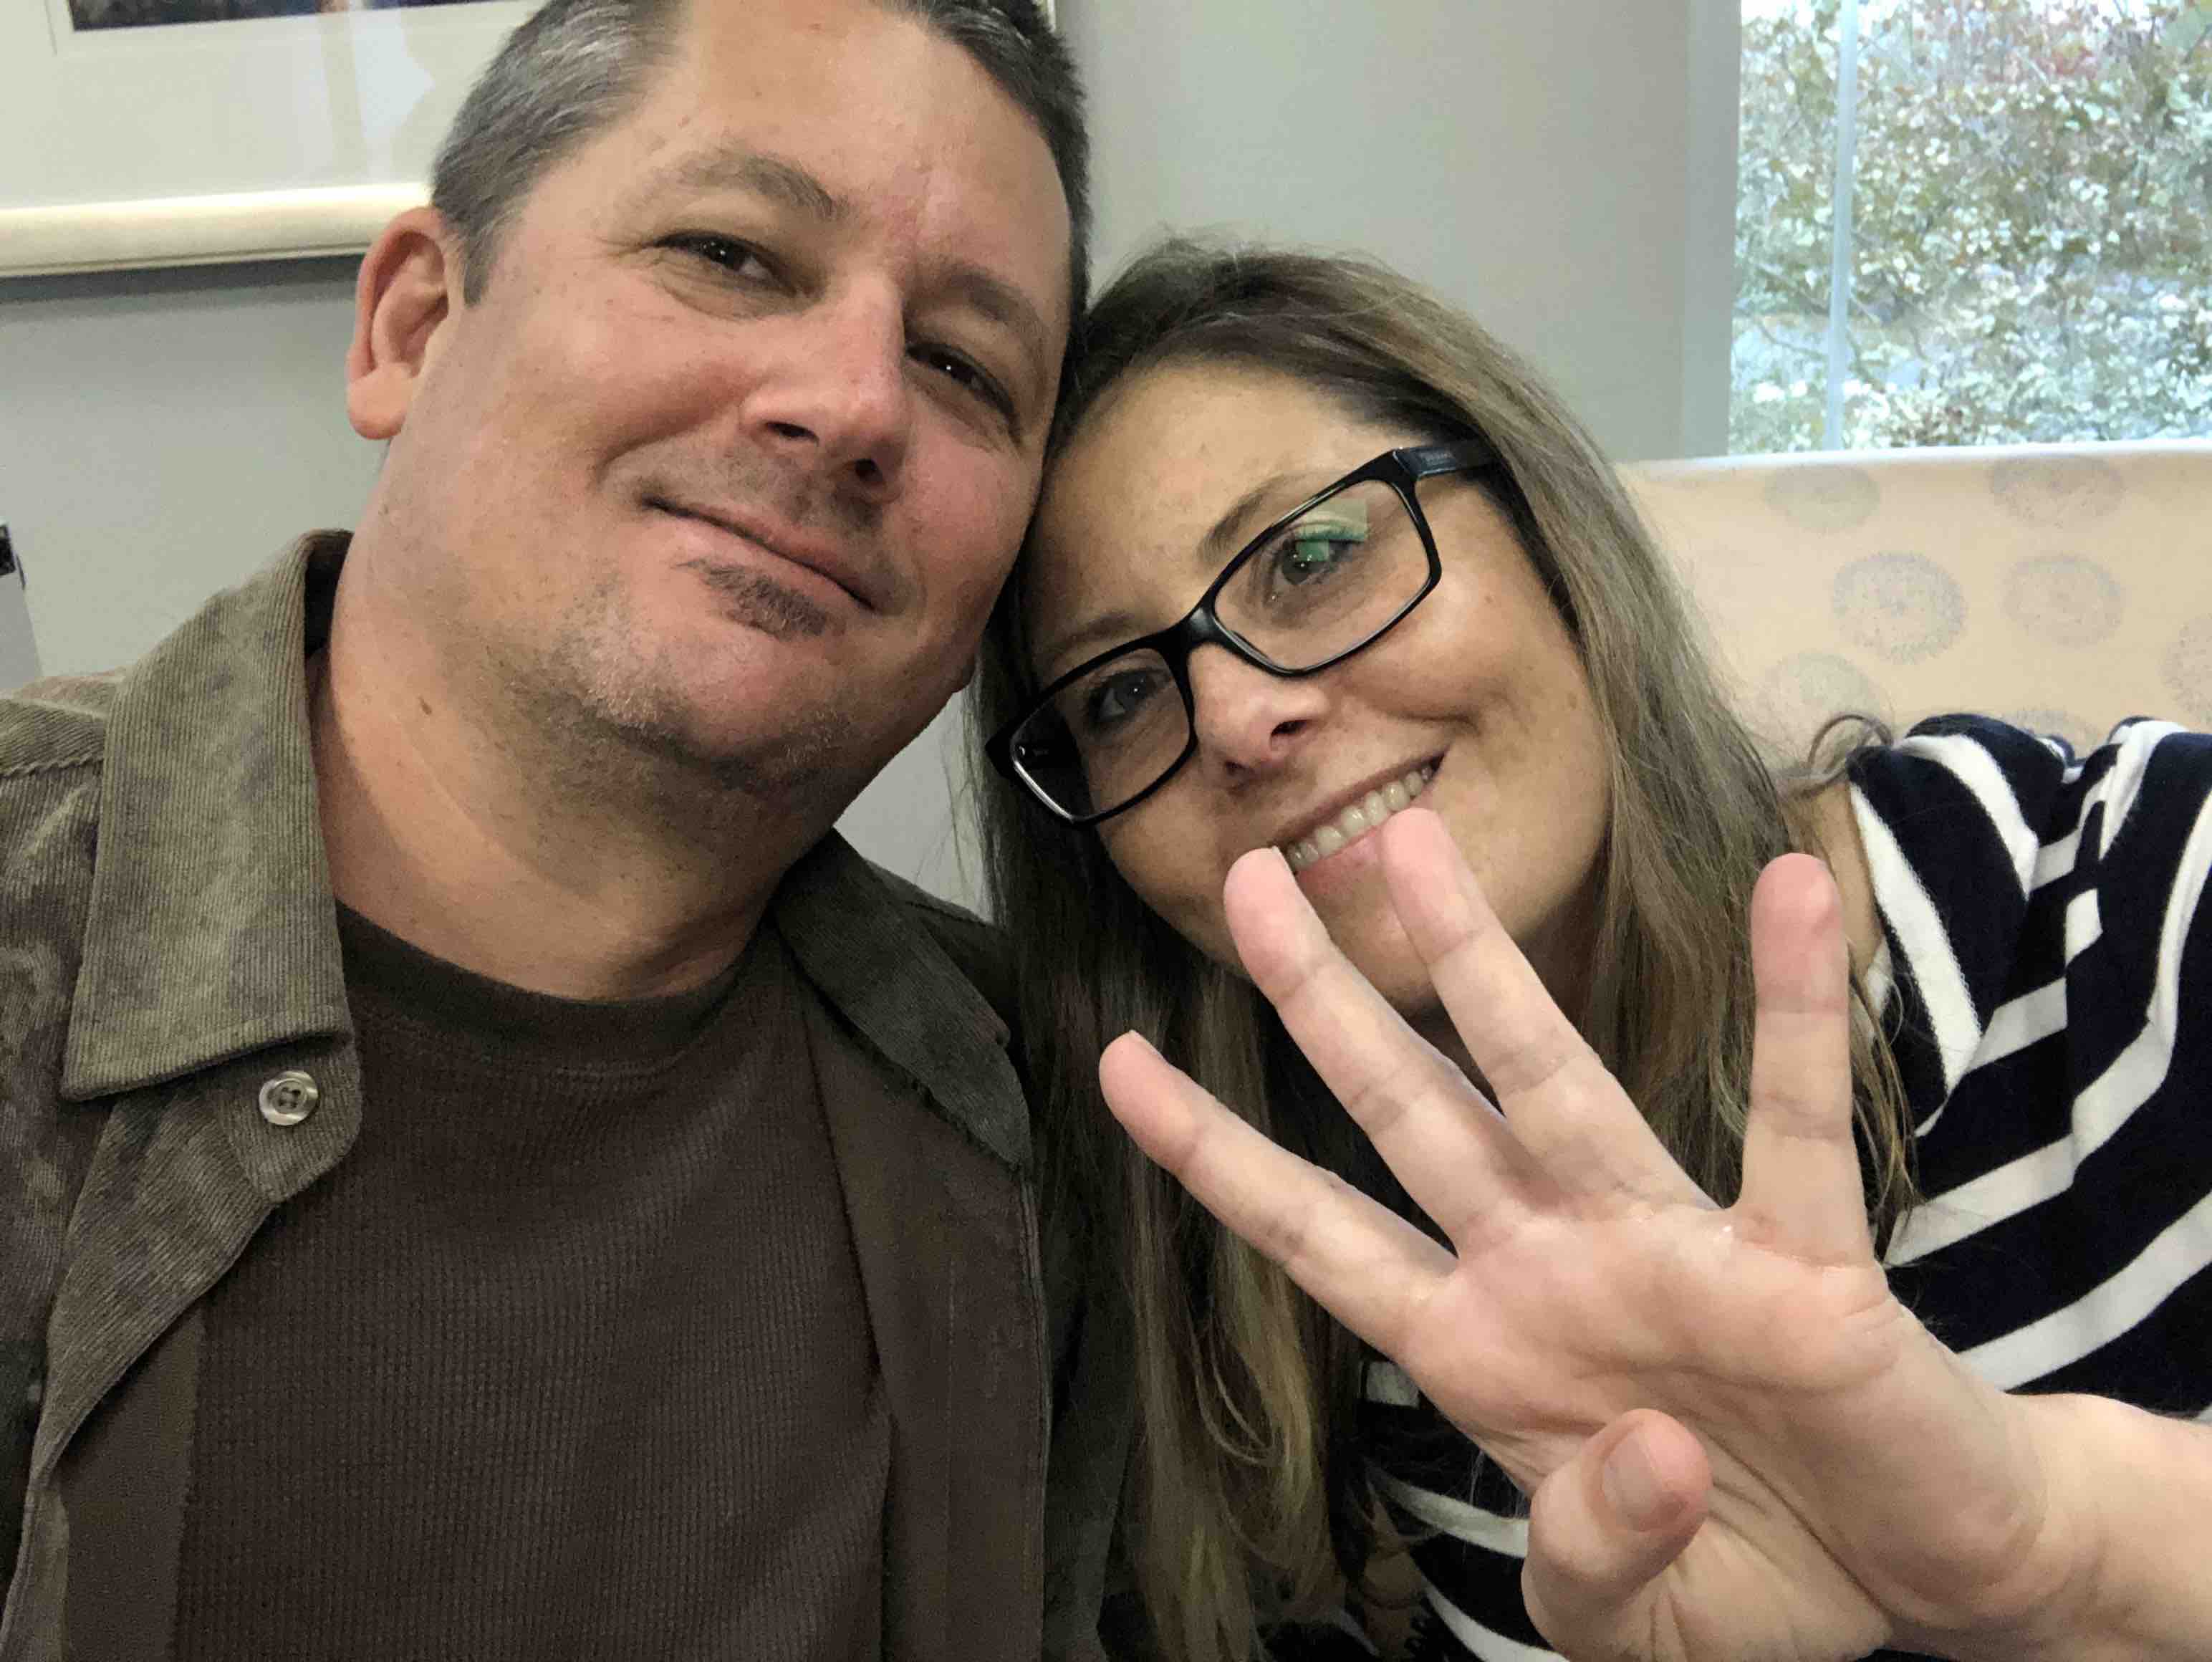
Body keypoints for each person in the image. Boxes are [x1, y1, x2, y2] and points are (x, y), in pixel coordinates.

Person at [0, 1, 1133, 1657]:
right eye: (729, 254)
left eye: (963, 366)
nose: (852, 405)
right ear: (413, 324)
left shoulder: (1051, 1131)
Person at [973, 239, 2212, 1662]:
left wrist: (2055, 1545)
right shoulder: (1287, 1309)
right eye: (1121, 692)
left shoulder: (2148, 878)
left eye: (1310, 557)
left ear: (1547, 523)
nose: (1241, 718)